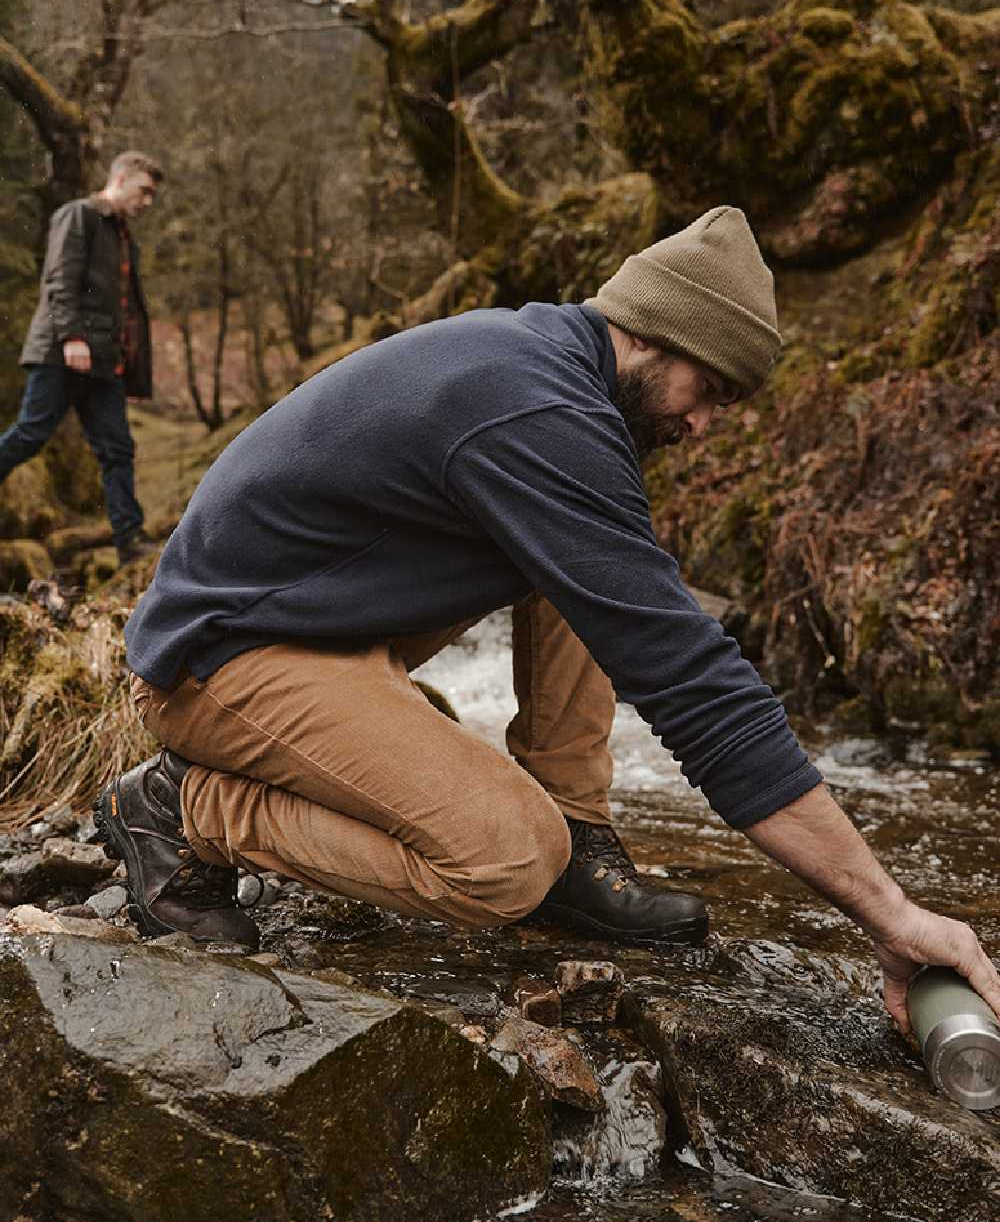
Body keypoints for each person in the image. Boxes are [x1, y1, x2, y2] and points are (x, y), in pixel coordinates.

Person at [95, 207, 1000, 1036]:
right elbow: (697, 691)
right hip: (217, 662)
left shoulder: (552, 375)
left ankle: (581, 839)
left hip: (314, 621)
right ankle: (182, 807)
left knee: (598, 566)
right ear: (655, 335)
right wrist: (891, 913)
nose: (709, 423)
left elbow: (635, 604)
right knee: (504, 861)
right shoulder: (535, 411)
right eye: (713, 388)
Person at [2, 150, 162, 568]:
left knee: (118, 449)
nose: (147, 202)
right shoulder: (79, 215)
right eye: (144, 191)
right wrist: (71, 336)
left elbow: (126, 310)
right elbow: (60, 279)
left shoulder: (124, 239)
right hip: (61, 351)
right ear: (121, 177)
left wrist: (131, 370)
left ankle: (130, 541)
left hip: (103, 363)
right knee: (31, 433)